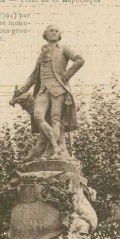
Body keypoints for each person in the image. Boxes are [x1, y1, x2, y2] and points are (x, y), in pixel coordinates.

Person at [16, 25, 85, 156]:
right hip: (43, 90)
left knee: (55, 119)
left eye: (56, 31)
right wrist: (22, 90)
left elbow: (80, 60)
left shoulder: (63, 48)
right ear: (45, 35)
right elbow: (34, 75)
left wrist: (66, 76)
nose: (54, 33)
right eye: (51, 31)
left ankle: (53, 150)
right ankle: (54, 146)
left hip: (58, 90)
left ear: (59, 36)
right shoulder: (42, 53)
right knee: (38, 116)